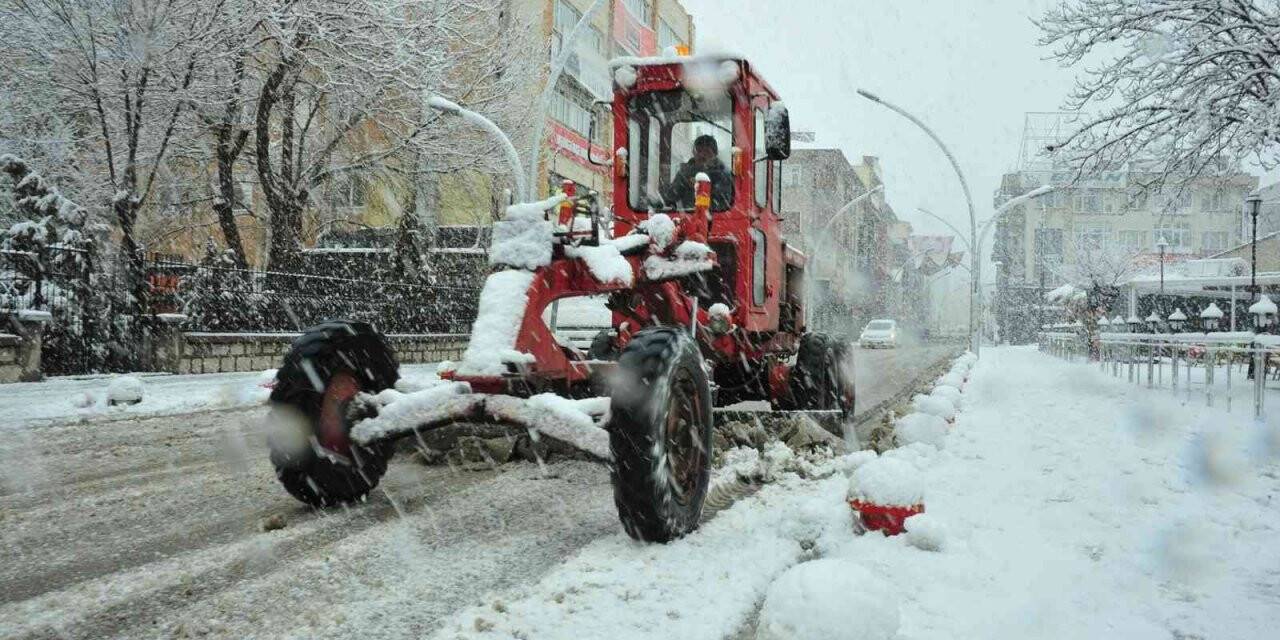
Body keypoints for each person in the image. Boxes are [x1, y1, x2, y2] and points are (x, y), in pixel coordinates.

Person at [661, 134, 732, 210]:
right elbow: (670, 197)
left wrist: (705, 187)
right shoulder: (685, 172)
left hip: (717, 218)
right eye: (699, 151)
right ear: (694, 153)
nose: (702, 155)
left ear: (715, 154)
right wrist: (684, 183)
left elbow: (724, 202)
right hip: (688, 217)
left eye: (707, 151)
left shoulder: (723, 174)